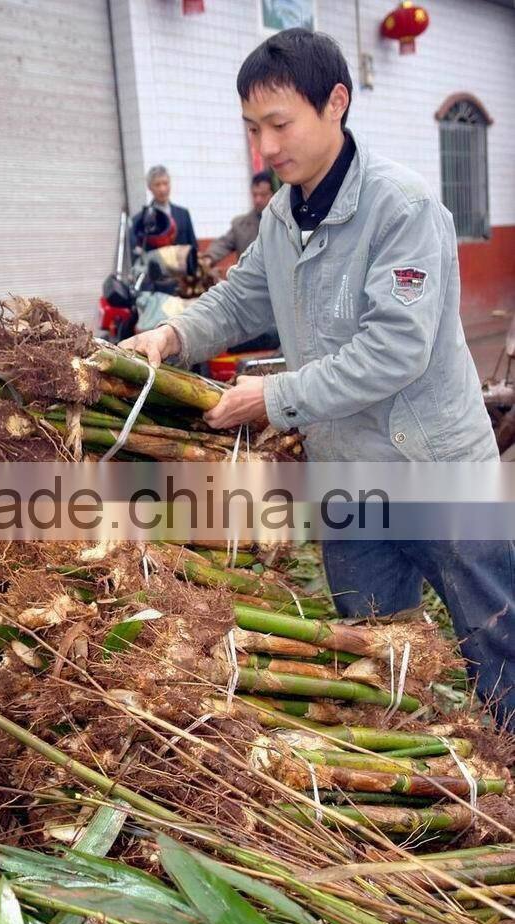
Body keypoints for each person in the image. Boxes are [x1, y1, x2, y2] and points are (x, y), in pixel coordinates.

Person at [120, 28, 515, 728]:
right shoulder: (280, 216)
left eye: (279, 124)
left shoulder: (402, 206)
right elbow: (243, 300)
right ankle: (436, 786)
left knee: (498, 643)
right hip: (350, 481)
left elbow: (397, 348)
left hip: (434, 466)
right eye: (252, 129)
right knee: (379, 655)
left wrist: (274, 396)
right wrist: (173, 331)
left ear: (336, 103)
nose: (266, 148)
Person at [201, 171, 274, 270]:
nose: (258, 200)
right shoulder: (240, 225)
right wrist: (208, 258)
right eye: (255, 195)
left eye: (263, 195)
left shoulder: (286, 221)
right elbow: (223, 243)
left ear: (273, 194)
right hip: (250, 282)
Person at [130, 165, 198, 257]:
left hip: (181, 270)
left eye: (165, 183)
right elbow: (136, 254)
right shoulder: (140, 220)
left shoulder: (183, 214)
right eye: (157, 185)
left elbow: (193, 247)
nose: (162, 189)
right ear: (150, 187)